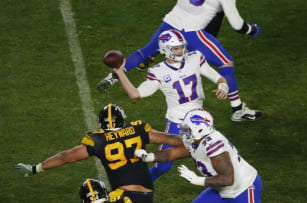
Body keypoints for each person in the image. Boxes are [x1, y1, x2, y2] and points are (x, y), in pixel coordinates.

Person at [97, 0, 262, 123]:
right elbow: (237, 24)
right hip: (191, 31)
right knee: (226, 62)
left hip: (170, 22)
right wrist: (251, 30)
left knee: (147, 51)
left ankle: (111, 78)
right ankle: (238, 110)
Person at [111, 29, 229, 182]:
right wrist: (120, 73)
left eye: (181, 47)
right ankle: (139, 187)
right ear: (165, 50)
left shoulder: (195, 58)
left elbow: (219, 79)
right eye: (176, 48)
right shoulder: (158, 71)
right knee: (163, 166)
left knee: (213, 159)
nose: (181, 51)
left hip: (199, 121)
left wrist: (223, 88)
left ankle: (228, 190)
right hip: (178, 122)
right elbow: (135, 94)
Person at [14, 103, 183, 203]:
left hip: (125, 197)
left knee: (91, 189)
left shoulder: (99, 140)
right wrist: (198, 141)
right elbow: (169, 139)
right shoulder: (138, 130)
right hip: (146, 196)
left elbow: (66, 157)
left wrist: (36, 168)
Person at [135, 108, 262, 203]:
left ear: (201, 130)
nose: (184, 131)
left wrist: (197, 180)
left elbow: (228, 179)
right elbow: (174, 153)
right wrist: (150, 156)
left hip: (244, 188)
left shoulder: (214, 144)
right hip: (221, 190)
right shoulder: (194, 140)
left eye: (188, 129)